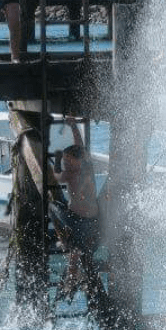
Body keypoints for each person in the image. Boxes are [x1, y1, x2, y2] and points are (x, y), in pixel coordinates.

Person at [50, 118, 100, 301]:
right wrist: (73, 126)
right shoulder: (87, 166)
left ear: (73, 162)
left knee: (53, 206)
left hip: (77, 220)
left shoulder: (70, 174)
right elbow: (80, 146)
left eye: (67, 162)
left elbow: (56, 177)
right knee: (76, 252)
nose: (66, 164)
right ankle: (74, 280)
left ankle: (72, 279)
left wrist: (55, 160)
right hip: (94, 218)